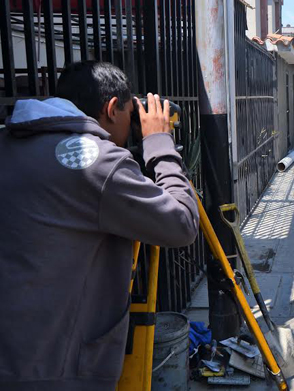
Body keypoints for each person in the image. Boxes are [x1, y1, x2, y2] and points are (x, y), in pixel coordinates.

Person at [0, 61, 199, 390]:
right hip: (62, 372)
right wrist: (159, 143)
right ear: (110, 108)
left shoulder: (9, 143)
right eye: (128, 114)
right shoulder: (98, 163)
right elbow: (183, 223)